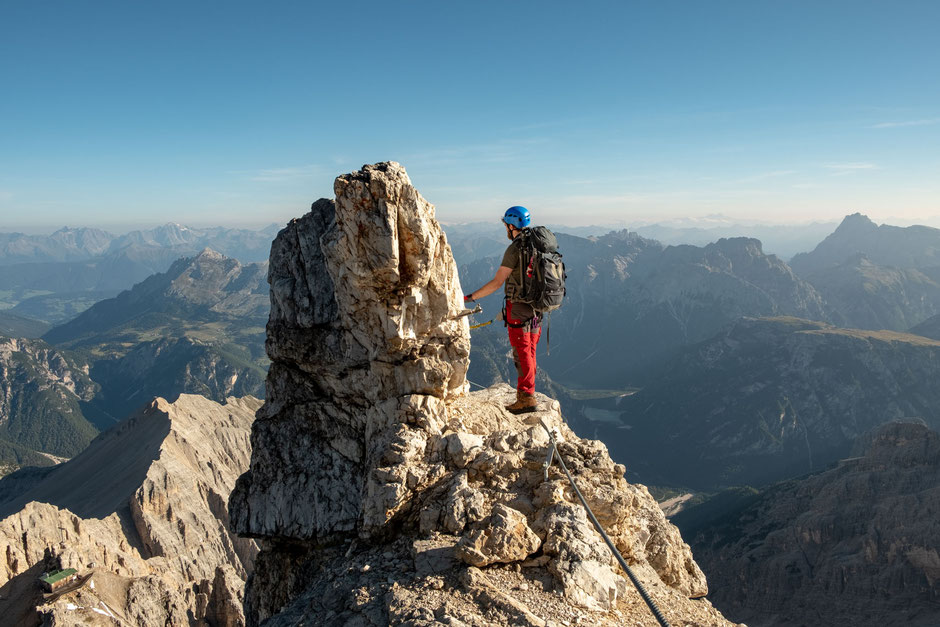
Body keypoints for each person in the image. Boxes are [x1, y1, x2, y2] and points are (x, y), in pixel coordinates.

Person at [464, 206, 542, 414]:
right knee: (531, 351)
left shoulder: (516, 248)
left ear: (511, 225)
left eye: (506, 226)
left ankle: (526, 397)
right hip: (538, 309)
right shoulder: (539, 243)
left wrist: (470, 297)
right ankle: (528, 393)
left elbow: (497, 282)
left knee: (522, 352)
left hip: (519, 309)